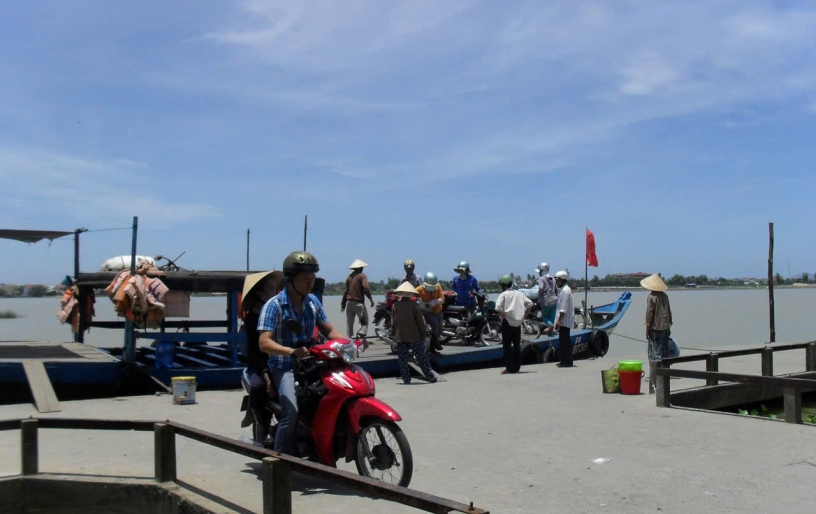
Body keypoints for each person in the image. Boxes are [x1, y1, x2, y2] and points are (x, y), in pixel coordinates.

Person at [258, 251, 345, 455]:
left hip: (312, 364)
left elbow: (329, 331)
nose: (310, 283)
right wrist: (291, 352)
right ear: (290, 279)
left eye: (312, 278)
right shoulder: (274, 306)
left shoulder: (313, 302)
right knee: (292, 412)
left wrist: (351, 342)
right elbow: (264, 342)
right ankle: (278, 464)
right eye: (305, 278)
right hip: (284, 366)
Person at [241, 269, 284, 444]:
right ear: (259, 293)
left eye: (276, 290)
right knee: (258, 386)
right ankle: (262, 425)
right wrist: (266, 376)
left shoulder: (277, 313)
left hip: (279, 360)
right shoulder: (252, 320)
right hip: (258, 365)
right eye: (271, 290)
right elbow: (255, 352)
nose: (276, 294)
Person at [391, 282, 437, 384]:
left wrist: (393, 333)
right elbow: (420, 322)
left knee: (403, 359)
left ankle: (406, 379)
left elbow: (393, 322)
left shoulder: (395, 306)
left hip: (401, 336)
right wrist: (423, 334)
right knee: (421, 357)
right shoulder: (414, 306)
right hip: (414, 335)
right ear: (411, 294)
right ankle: (430, 376)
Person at [641, 273, 673, 394]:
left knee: (654, 357)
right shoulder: (664, 296)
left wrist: (647, 330)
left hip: (655, 329)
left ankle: (654, 386)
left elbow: (649, 315)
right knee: (664, 356)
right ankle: (664, 383)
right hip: (665, 328)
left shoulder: (652, 297)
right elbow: (669, 313)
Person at [495, 274, 533, 374]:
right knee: (517, 345)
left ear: (503, 285)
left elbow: (498, 307)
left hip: (507, 322)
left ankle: (509, 368)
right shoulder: (519, 294)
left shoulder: (503, 295)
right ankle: (517, 367)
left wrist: (503, 316)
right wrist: (524, 316)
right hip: (518, 323)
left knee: (507, 346)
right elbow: (530, 304)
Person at [340, 259, 374, 339]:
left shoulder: (349, 277)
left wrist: (343, 304)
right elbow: (365, 287)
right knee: (364, 321)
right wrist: (370, 299)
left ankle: (350, 337)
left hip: (349, 302)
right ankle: (361, 337)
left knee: (349, 322)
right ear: (361, 268)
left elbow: (345, 291)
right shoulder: (362, 276)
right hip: (358, 302)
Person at [547, 270, 574, 368]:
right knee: (562, 342)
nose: (557, 282)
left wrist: (559, 320)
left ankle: (567, 362)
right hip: (563, 321)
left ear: (563, 280)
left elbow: (563, 309)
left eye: (558, 280)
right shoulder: (562, 290)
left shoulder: (565, 291)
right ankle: (564, 360)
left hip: (564, 321)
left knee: (565, 342)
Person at [416, 271, 445, 354]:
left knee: (440, 329)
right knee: (435, 325)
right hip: (427, 312)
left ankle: (433, 346)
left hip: (438, 311)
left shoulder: (438, 287)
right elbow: (413, 297)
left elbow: (443, 299)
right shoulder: (419, 289)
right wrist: (421, 303)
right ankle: (434, 343)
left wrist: (436, 301)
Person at [535, 262, 558, 327]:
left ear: (542, 270)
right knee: (551, 318)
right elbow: (556, 290)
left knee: (544, 318)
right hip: (554, 301)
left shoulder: (542, 279)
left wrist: (539, 293)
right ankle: (551, 333)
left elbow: (541, 287)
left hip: (546, 301)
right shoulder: (553, 278)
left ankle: (550, 325)